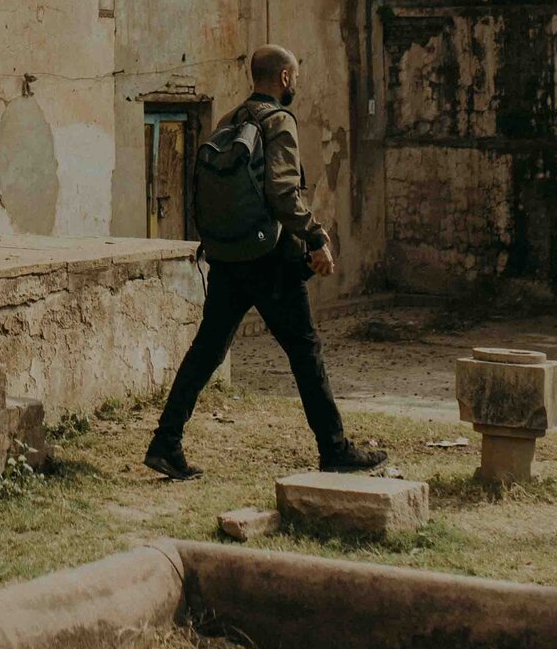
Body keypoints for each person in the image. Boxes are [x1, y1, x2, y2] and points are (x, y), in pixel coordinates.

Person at [145, 45, 384, 480]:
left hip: (227, 256)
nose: (297, 83)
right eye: (296, 77)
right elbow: (282, 191)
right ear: (286, 79)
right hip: (268, 259)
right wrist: (315, 235)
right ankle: (334, 449)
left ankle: (166, 442)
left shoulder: (228, 121)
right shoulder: (278, 122)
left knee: (208, 349)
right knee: (305, 349)